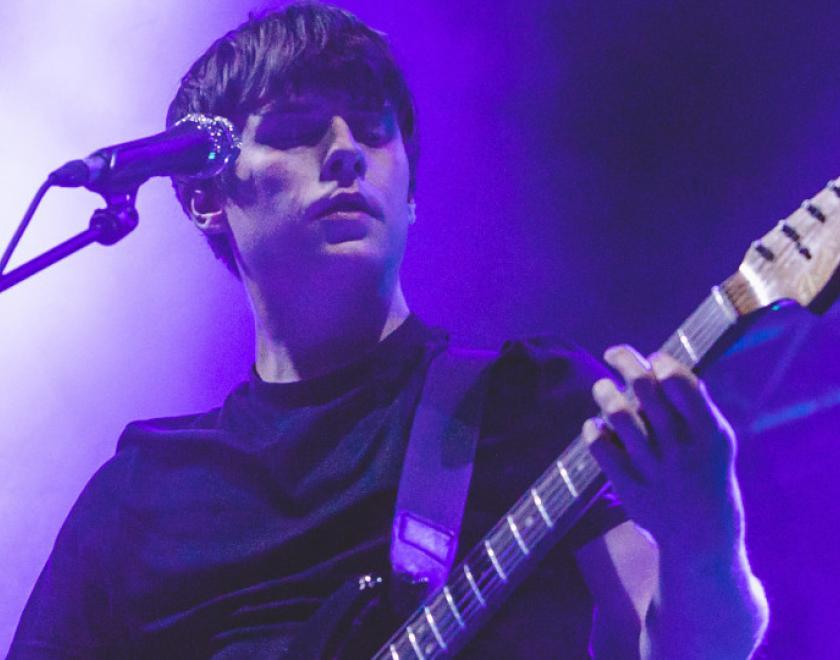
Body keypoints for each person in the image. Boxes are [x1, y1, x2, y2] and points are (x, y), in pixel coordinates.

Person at [9, 2, 768, 657]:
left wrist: (705, 541)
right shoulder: (141, 493)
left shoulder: (532, 400)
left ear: (408, 196)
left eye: (374, 131)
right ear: (207, 198)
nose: (346, 152)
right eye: (297, 130)